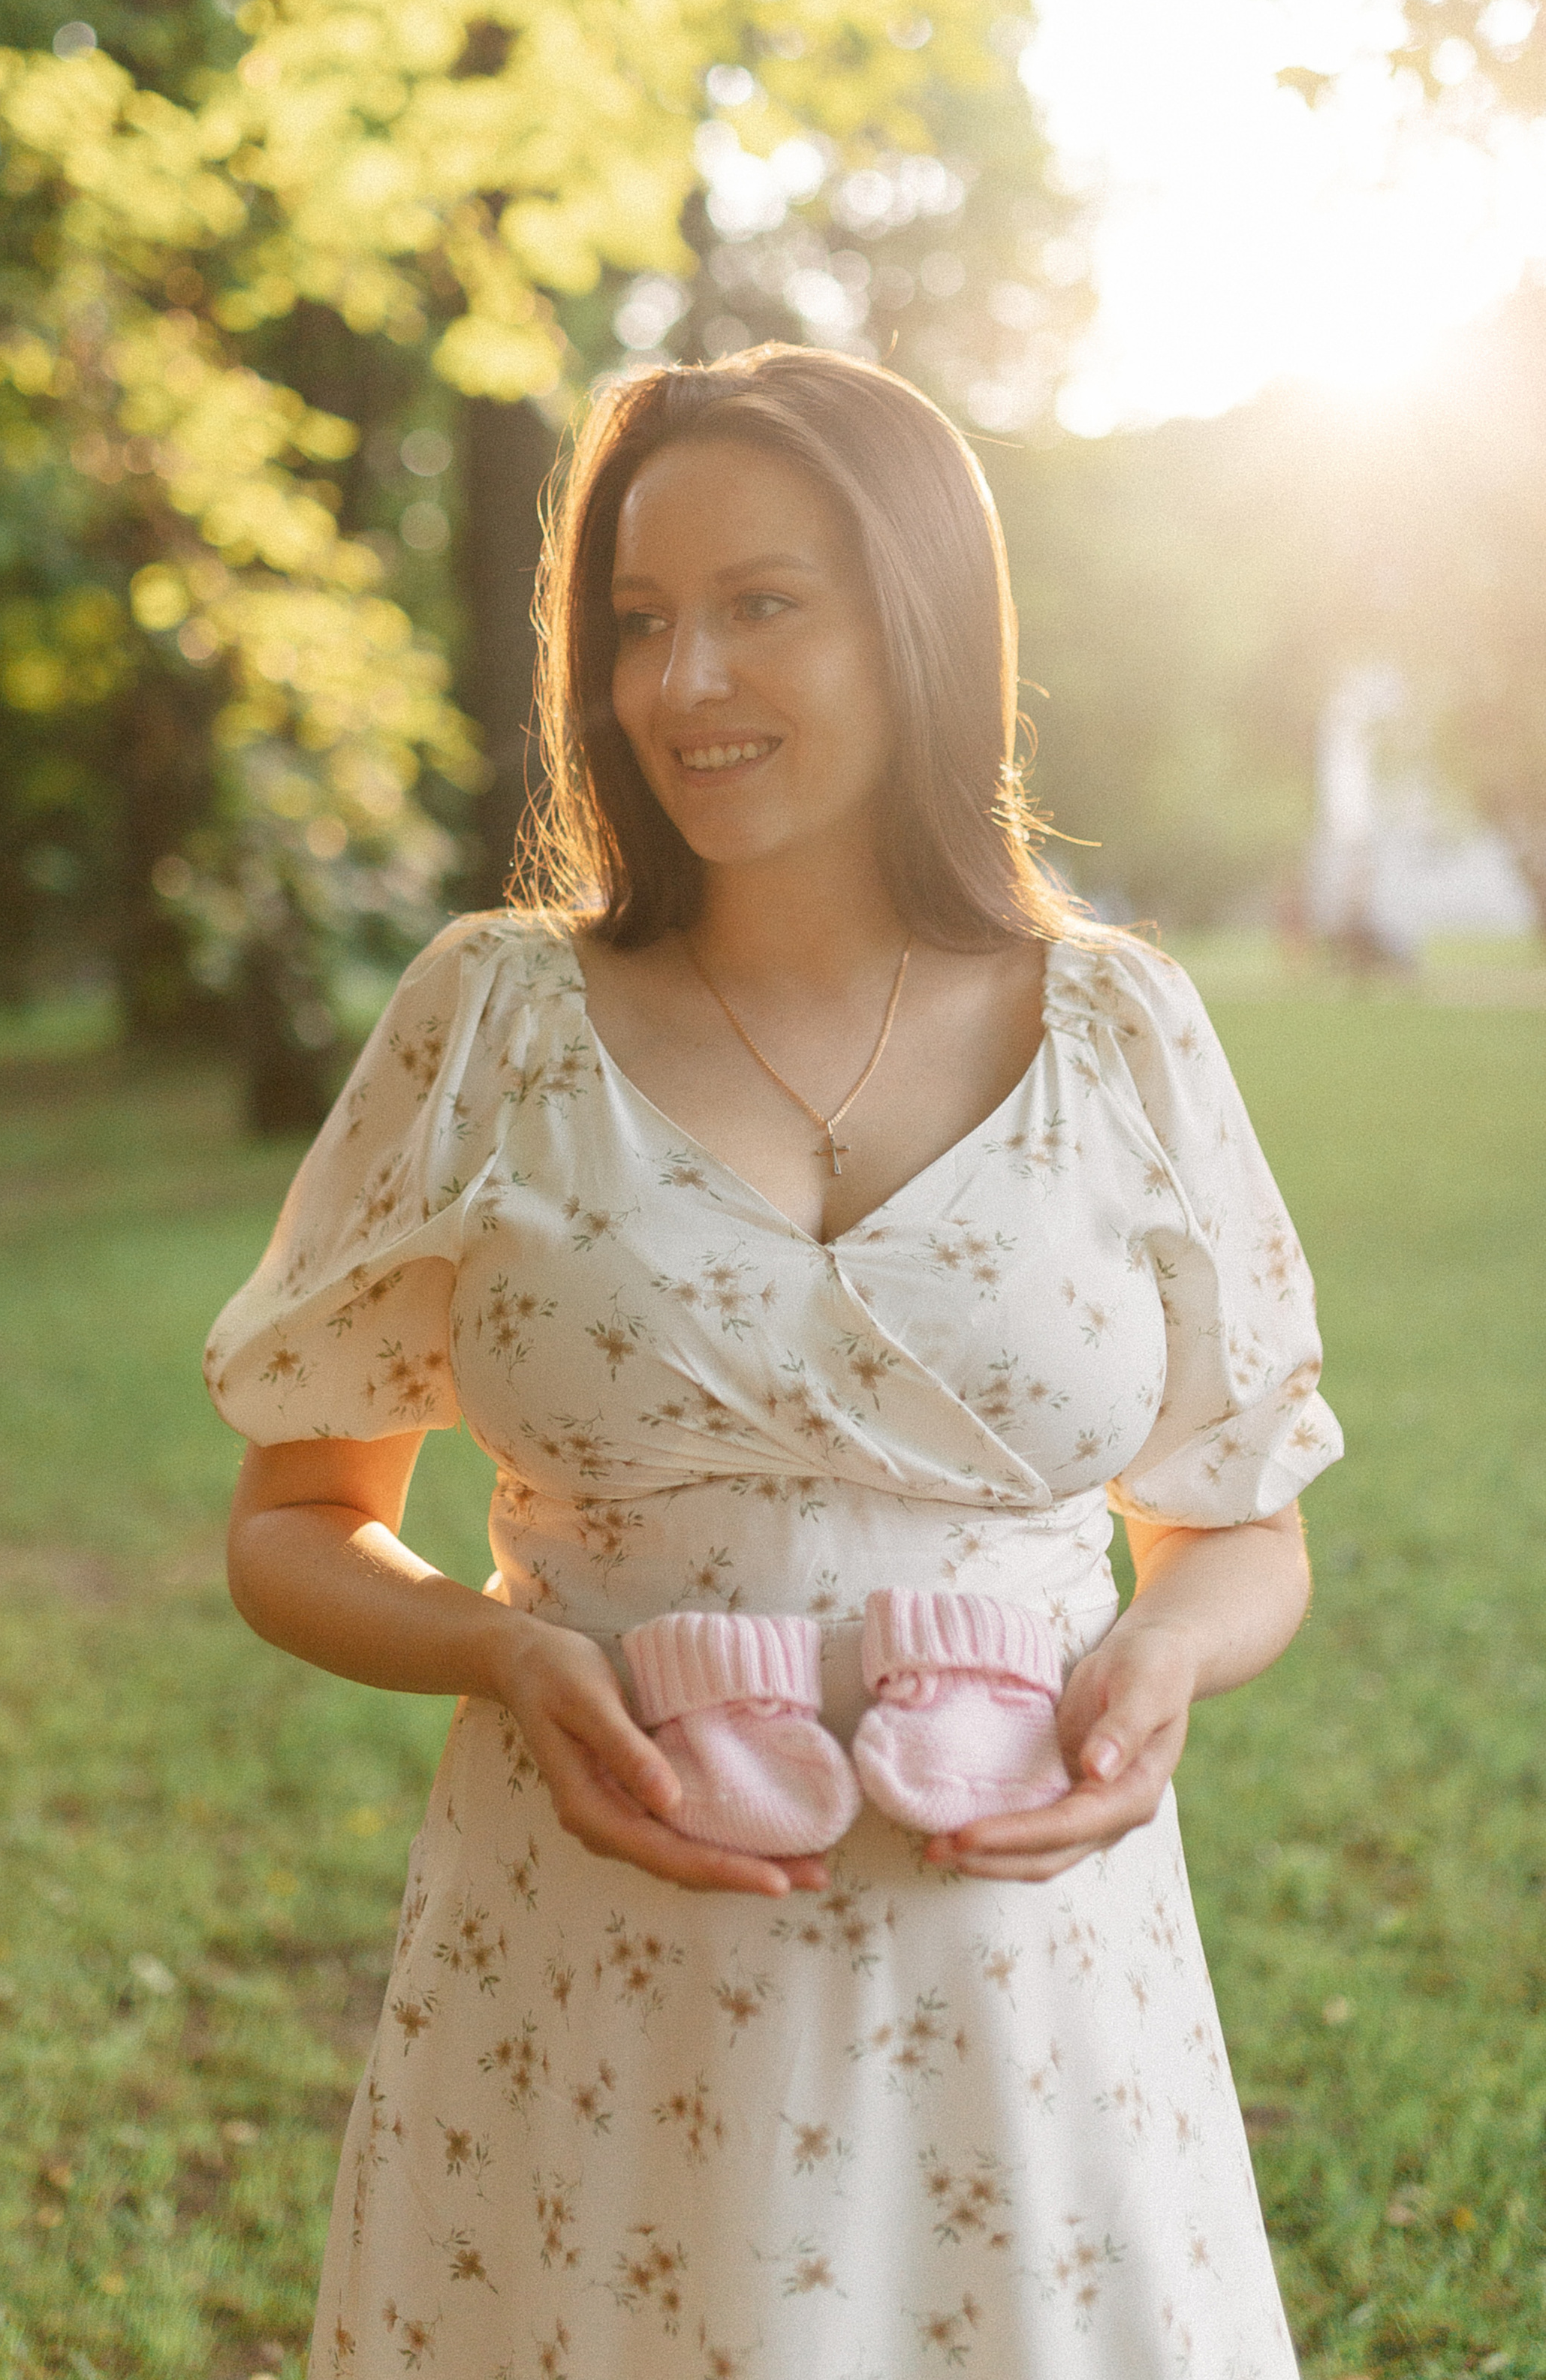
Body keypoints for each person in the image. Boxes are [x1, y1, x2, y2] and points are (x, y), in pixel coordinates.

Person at [208, 345, 1340, 2379]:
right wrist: (504, 1651)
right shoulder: (491, 1018)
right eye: (639, 623)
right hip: (595, 1980)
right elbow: (298, 1519)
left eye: (763, 606)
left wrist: (1162, 1659)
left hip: (1026, 1996)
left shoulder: (1123, 1030)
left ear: (920, 621)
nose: (684, 683)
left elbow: (1240, 1524)